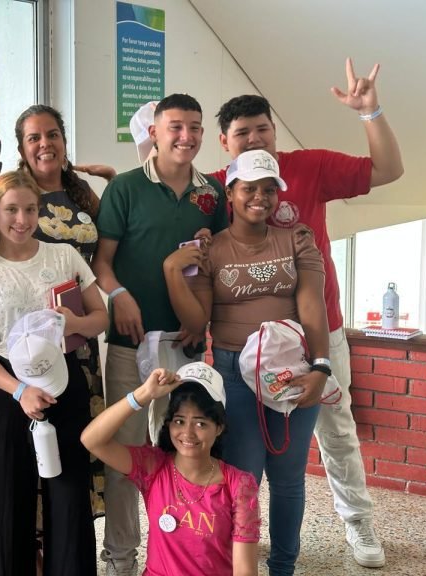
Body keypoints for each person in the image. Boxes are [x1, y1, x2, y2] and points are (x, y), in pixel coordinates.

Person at [210, 58, 403, 569]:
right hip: (242, 348)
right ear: (224, 146)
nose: (254, 140)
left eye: (262, 130)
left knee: (334, 431)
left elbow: (388, 170)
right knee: (244, 451)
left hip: (318, 332)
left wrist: (371, 112)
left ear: (274, 134)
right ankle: (245, 539)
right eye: (242, 133)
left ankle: (357, 521)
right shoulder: (214, 188)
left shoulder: (310, 166)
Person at [165, 149, 328, 575]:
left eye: (269, 189)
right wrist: (174, 272)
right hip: (232, 372)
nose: (260, 197)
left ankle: (283, 569)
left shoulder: (296, 240)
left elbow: (313, 306)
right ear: (230, 194)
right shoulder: (211, 251)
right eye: (249, 188)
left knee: (290, 479)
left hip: (293, 370)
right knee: (244, 481)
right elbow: (198, 322)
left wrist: (322, 368)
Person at [92, 93, 228, 576]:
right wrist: (120, 296)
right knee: (126, 456)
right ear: (154, 131)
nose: (185, 137)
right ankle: (121, 560)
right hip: (130, 343)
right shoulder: (125, 188)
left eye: (194, 127)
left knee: (181, 450)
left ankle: (178, 554)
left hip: (186, 344)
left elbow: (214, 266)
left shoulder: (212, 194)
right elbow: (101, 265)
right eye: (175, 127)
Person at [0, 170, 108, 576]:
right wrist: (19, 390)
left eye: (30, 209)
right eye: (11, 210)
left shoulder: (63, 256)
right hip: (9, 388)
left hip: (64, 380)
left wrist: (73, 323)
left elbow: (100, 318)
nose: (22, 220)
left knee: (69, 501)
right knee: (8, 504)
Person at [14, 103, 110, 519]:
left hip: (80, 338)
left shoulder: (81, 193)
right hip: (31, 342)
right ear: (22, 147)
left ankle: (70, 552)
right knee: (36, 451)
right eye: (34, 137)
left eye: (52, 134)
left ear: (64, 141)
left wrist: (113, 181)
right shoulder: (16, 194)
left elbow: (109, 251)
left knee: (73, 447)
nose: (45, 144)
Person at [81, 363, 260, 576]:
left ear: (219, 427)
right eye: (179, 421)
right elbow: (92, 440)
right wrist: (143, 394)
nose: (188, 433)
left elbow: (244, 571)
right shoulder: (154, 466)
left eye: (201, 423)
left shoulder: (239, 485)